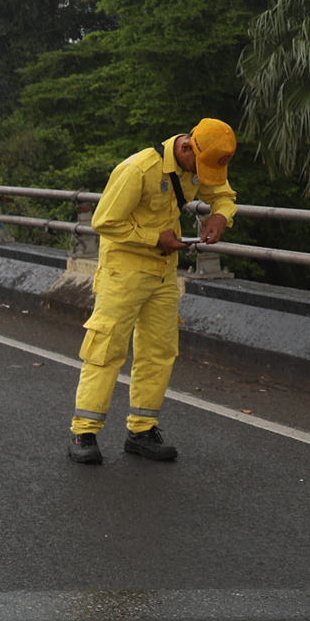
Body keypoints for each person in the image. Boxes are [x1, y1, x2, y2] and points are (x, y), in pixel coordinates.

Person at [68, 119, 237, 464]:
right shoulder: (139, 168)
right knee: (107, 348)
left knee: (159, 350)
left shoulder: (200, 163)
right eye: (199, 168)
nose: (201, 176)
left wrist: (222, 216)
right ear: (187, 148)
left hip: (163, 272)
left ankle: (142, 430)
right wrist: (152, 238)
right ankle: (83, 432)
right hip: (125, 271)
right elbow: (103, 221)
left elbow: (222, 194)